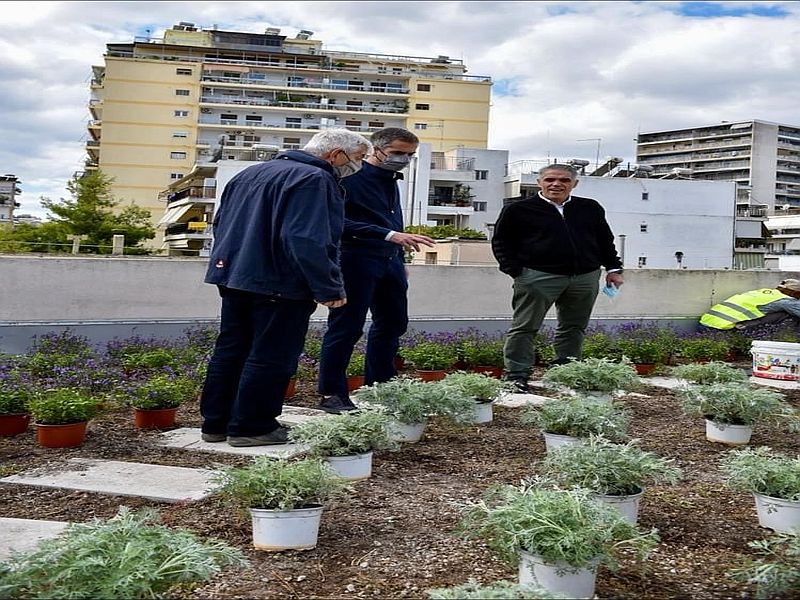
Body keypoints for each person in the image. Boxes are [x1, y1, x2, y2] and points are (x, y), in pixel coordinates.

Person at [199, 129, 372, 447]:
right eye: (358, 158)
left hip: (235, 275)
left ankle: (216, 423)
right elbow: (306, 239)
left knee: (231, 349)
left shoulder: (250, 173)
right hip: (280, 281)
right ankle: (252, 427)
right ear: (336, 154)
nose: (358, 166)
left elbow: (220, 224)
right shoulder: (316, 179)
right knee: (272, 354)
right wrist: (329, 287)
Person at [316, 127, 435, 413]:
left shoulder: (391, 180)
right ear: (376, 150)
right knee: (346, 327)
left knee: (394, 323)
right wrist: (389, 235)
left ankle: (381, 386)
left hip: (390, 261)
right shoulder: (348, 177)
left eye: (410, 155)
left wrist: (399, 258)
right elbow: (336, 222)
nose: (403, 159)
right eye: (397, 153)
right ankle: (332, 393)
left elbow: (391, 221)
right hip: (354, 260)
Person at [491, 163, 624, 392]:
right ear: (539, 183)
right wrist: (517, 272)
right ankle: (517, 375)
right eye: (550, 179)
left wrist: (613, 268)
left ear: (574, 184)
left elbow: (604, 240)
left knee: (574, 327)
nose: (556, 184)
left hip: (584, 277)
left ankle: (565, 371)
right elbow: (501, 242)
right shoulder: (518, 209)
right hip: (538, 277)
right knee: (525, 327)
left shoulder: (589, 208)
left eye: (564, 180)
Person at [699, 279, 800, 331]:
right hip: (725, 328)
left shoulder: (762, 292)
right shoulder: (785, 300)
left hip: (704, 324)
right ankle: (782, 341)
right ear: (793, 292)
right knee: (787, 314)